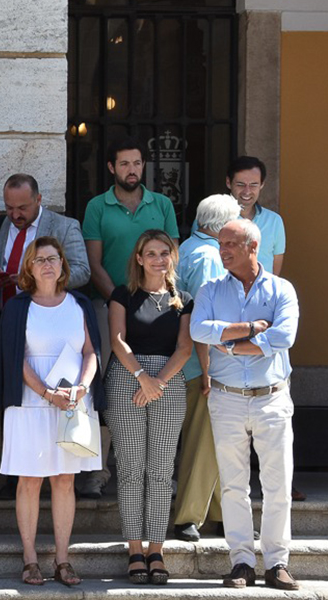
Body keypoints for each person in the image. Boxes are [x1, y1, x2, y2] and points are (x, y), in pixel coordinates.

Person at [190, 220, 300, 591]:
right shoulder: (209, 289)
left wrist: (230, 341)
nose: (223, 251)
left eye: (231, 244)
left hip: (271, 397)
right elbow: (199, 331)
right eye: (221, 243)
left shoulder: (282, 289)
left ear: (253, 246)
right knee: (234, 485)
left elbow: (284, 336)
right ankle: (241, 561)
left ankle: (277, 562)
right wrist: (252, 328)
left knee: (278, 484)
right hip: (227, 397)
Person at [0, 173, 89, 501]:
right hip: (4, 323)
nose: (15, 214)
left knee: (51, 398)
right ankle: (17, 473)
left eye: (22, 207)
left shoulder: (64, 227)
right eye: (9, 208)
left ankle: (60, 474)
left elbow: (82, 270)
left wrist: (34, 281)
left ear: (38, 200)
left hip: (50, 326)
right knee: (13, 394)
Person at [0, 237, 104, 587]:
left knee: (65, 480)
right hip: (31, 403)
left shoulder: (79, 303)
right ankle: (29, 560)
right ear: (29, 267)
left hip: (71, 404)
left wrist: (83, 387)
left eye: (53, 258)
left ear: (62, 265)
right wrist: (45, 392)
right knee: (28, 480)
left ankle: (62, 559)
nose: (46, 265)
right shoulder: (18, 307)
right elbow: (14, 356)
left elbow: (91, 351)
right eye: (39, 259)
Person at [79, 137, 179, 499]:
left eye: (137, 163)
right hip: (110, 307)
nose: (132, 170)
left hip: (159, 307)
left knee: (156, 384)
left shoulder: (162, 204)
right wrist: (121, 301)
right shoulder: (97, 207)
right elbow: (93, 263)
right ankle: (97, 471)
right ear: (111, 168)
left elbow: (169, 256)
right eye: (124, 164)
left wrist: (150, 301)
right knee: (105, 387)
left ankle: (153, 473)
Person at [105, 230, 193, 585]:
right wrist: (143, 377)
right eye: (151, 253)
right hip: (128, 379)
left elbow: (185, 348)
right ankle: (134, 550)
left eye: (165, 253)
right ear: (139, 258)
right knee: (129, 468)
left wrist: (157, 381)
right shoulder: (122, 294)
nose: (159, 259)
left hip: (169, 383)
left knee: (160, 471)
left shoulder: (182, 299)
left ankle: (156, 550)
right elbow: (117, 339)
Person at [172, 194, 241, 542]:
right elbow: (204, 321)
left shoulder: (189, 248)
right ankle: (188, 515)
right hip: (204, 365)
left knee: (213, 442)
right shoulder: (209, 257)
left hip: (197, 364)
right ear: (221, 225)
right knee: (204, 441)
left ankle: (218, 515)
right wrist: (207, 368)